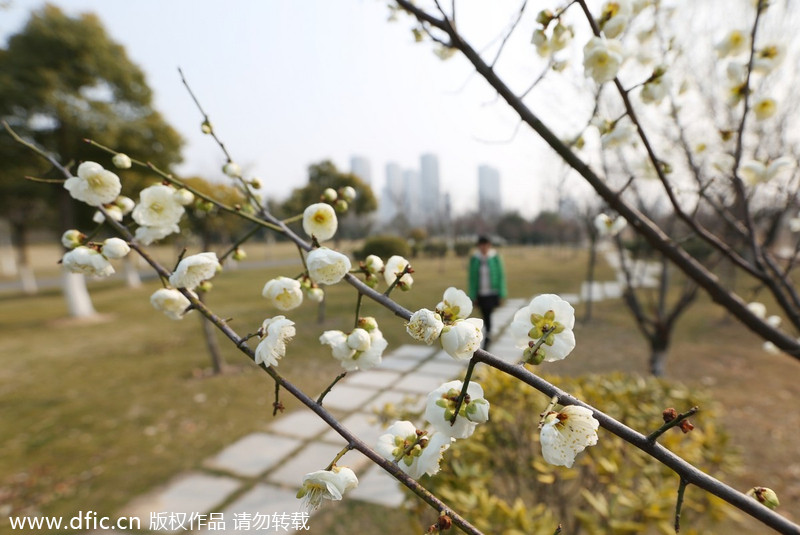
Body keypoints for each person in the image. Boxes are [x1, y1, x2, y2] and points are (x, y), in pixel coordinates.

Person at [468, 236, 507, 349]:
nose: (483, 247)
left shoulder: (495, 258)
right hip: (481, 293)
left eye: (485, 245)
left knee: (488, 315)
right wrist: (472, 295)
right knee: (484, 315)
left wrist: (502, 293)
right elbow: (471, 279)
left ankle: (487, 336)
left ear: (489, 245)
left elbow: (501, 276)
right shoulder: (475, 259)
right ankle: (487, 334)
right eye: (481, 245)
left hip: (492, 293)